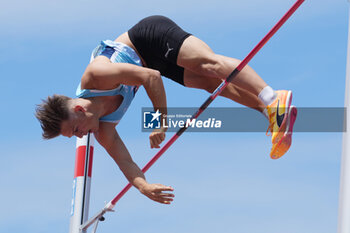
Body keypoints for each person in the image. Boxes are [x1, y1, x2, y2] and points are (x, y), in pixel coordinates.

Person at [35, 15, 297, 204]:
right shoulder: (103, 129)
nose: (82, 136)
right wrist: (143, 186)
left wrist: (161, 121)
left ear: (80, 109)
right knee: (210, 84)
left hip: (147, 37)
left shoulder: (97, 76)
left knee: (208, 64)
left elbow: (151, 78)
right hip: (151, 61)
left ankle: (272, 96)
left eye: (75, 130)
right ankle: (270, 113)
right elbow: (125, 161)